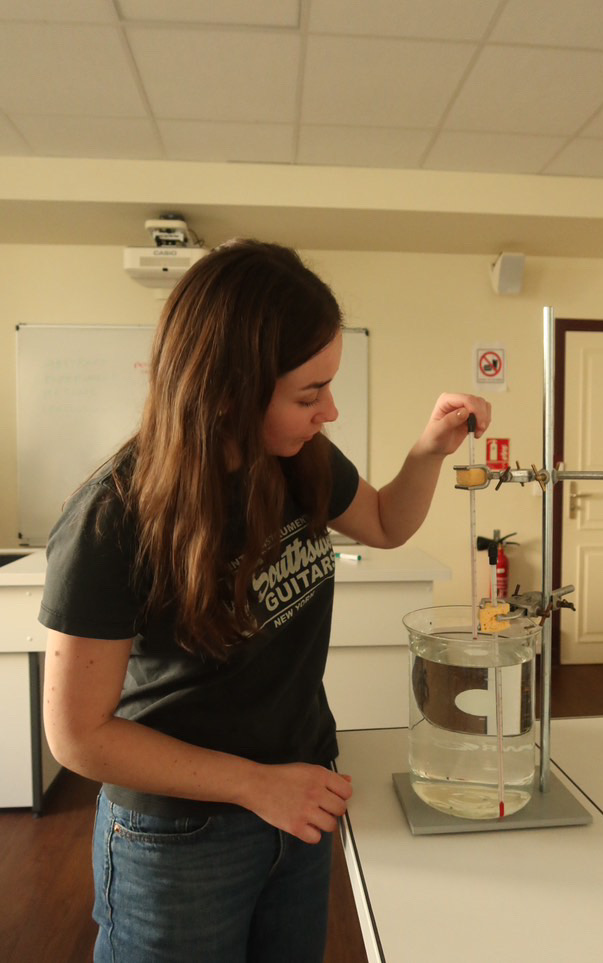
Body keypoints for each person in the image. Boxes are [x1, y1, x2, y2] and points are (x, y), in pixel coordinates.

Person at [40, 239, 490, 963]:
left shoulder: (297, 457)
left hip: (298, 800)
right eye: (309, 394)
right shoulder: (112, 516)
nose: (330, 410)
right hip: (180, 841)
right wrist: (255, 786)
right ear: (225, 393)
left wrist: (429, 450)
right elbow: (78, 735)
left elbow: (382, 522)